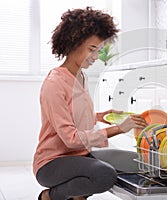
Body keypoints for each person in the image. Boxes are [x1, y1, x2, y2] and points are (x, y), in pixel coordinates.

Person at [33, 7, 148, 200]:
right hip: (52, 163)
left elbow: (73, 116)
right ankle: (49, 196)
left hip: (80, 156)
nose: (95, 57)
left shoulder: (81, 76)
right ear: (73, 43)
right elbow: (70, 138)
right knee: (104, 174)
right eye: (92, 49)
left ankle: (79, 195)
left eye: (99, 51)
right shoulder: (55, 83)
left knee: (139, 162)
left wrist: (101, 116)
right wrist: (119, 129)